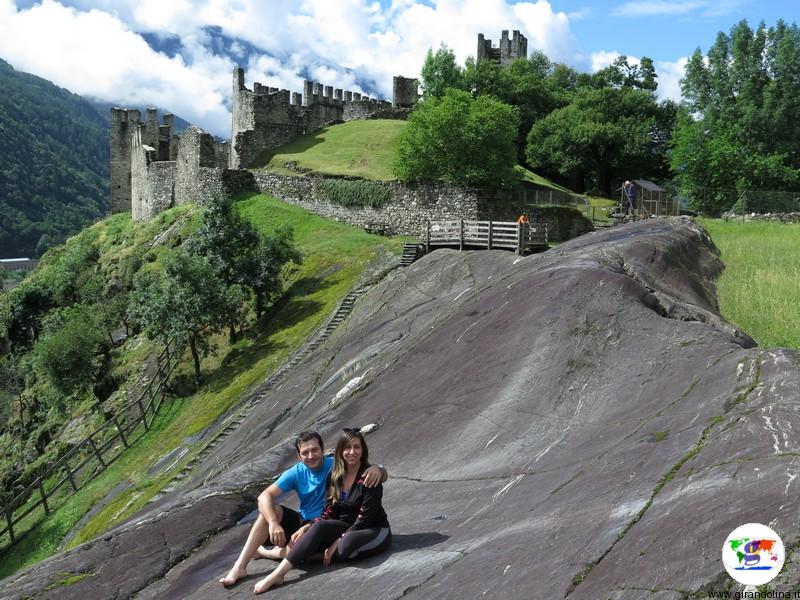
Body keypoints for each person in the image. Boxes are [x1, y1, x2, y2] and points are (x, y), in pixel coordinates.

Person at [219, 431, 386, 587]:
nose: (311, 455)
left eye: (315, 450)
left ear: (322, 450)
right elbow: (264, 496)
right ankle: (240, 566)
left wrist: (378, 468)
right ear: (299, 456)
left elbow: (369, 471)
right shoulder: (297, 472)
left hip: (329, 525)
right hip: (308, 522)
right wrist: (273, 524)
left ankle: (267, 553)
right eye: (305, 452)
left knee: (306, 546)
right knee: (269, 513)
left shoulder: (336, 466)